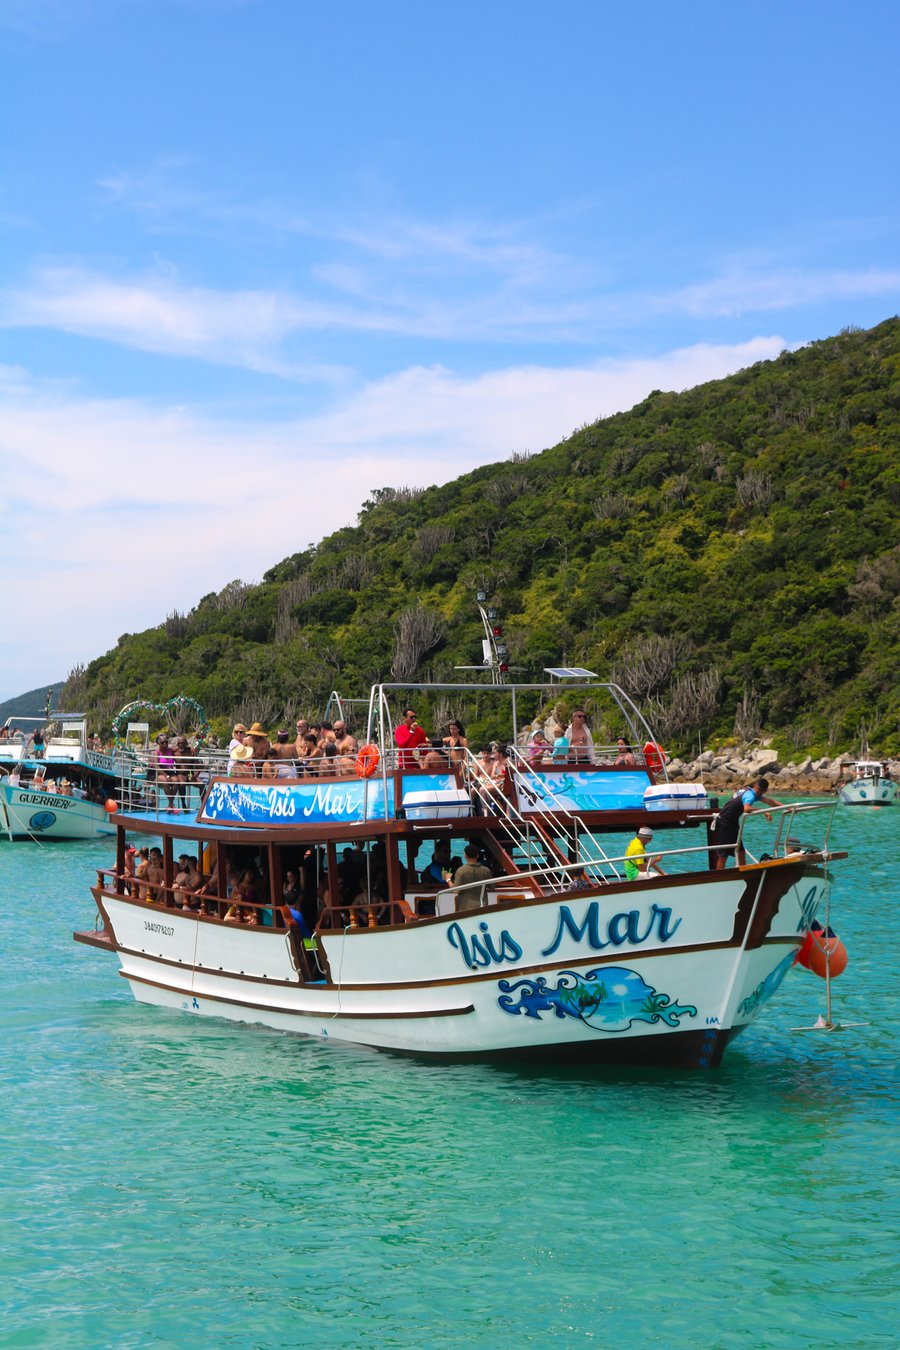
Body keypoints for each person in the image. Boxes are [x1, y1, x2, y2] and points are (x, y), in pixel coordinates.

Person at [712, 776, 783, 870]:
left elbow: (771, 801)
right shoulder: (750, 795)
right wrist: (764, 812)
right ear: (761, 789)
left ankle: (744, 872)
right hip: (724, 823)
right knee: (723, 854)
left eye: (759, 790)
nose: (758, 791)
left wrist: (790, 807)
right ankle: (720, 876)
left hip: (732, 823)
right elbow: (746, 808)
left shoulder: (751, 792)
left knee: (740, 851)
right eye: (758, 790)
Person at [453, 844, 492, 911]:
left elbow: (455, 891)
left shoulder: (461, 871)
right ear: (477, 855)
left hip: (466, 907)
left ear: (465, 856)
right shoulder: (486, 870)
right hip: (483, 906)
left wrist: (447, 879)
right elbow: (492, 886)